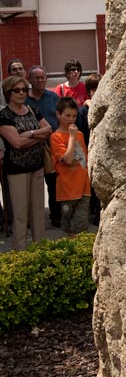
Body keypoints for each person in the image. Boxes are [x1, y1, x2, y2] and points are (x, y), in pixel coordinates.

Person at [0, 75, 52, 250]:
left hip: (37, 166)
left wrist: (28, 134)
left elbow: (49, 129)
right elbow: (16, 143)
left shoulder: (33, 110)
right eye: (17, 90)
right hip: (17, 170)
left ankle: (40, 250)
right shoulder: (4, 116)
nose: (22, 93)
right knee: (21, 215)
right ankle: (20, 253)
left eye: (24, 89)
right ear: (8, 93)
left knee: (38, 213)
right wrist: (37, 134)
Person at [26, 65, 61, 228]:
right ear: (29, 80)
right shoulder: (24, 99)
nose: (40, 80)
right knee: (33, 186)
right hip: (30, 147)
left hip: (51, 147)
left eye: (43, 77)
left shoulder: (54, 97)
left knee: (53, 183)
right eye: (36, 78)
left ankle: (56, 216)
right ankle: (33, 219)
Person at [50, 97, 90, 235]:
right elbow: (67, 160)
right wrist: (72, 137)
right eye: (67, 115)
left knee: (82, 224)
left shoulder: (79, 134)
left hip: (83, 186)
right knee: (69, 227)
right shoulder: (56, 137)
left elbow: (85, 159)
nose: (71, 119)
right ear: (58, 114)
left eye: (74, 116)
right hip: (68, 189)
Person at [76, 73, 101, 225]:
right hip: (88, 154)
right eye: (94, 89)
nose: (97, 91)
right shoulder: (83, 112)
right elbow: (81, 135)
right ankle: (94, 215)